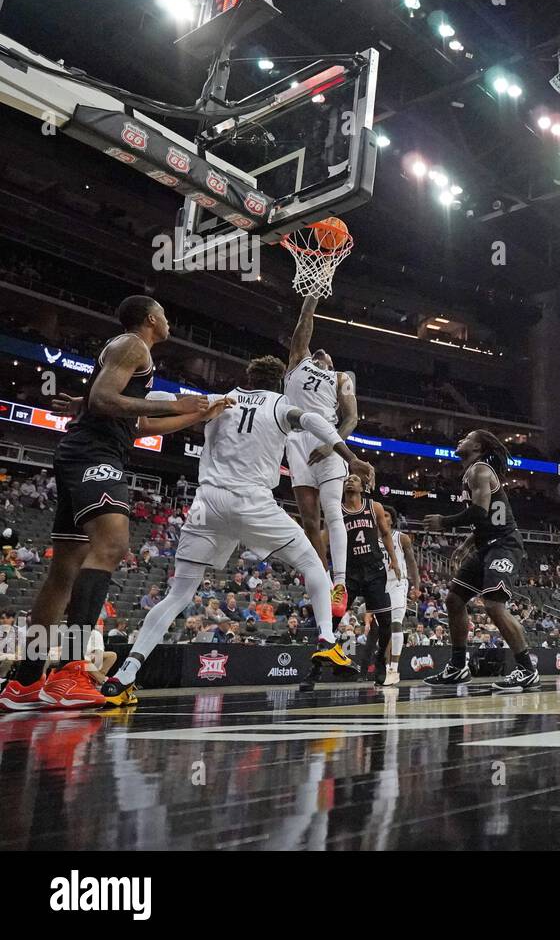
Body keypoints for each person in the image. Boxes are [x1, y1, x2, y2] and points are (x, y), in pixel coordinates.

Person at [99, 355, 374, 706]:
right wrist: (350, 457)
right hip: (251, 502)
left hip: (207, 504)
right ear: (279, 381)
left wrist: (96, 403)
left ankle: (123, 677)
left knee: (178, 595)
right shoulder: (281, 405)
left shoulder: (218, 400)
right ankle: (326, 640)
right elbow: (313, 420)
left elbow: (164, 402)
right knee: (312, 565)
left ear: (248, 374)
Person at [0, 296, 215, 711]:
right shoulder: (132, 345)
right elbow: (102, 399)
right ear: (152, 319)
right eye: (166, 316)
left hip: (87, 451)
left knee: (64, 571)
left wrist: (195, 415)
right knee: (113, 545)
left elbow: (140, 423)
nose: (169, 322)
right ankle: (69, 671)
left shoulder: (132, 355)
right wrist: (174, 402)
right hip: (94, 455)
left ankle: (25, 678)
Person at [422, 430, 538, 692]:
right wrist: (466, 544)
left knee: (494, 606)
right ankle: (457, 666)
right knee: (453, 599)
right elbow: (484, 519)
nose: (460, 439)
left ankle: (527, 670)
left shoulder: (480, 470)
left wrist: (444, 522)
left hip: (504, 545)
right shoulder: (471, 472)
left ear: (478, 447)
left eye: (466, 438)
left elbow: (478, 512)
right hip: (486, 545)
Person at [283, 294, 357, 619]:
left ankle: (340, 582)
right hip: (296, 443)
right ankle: (323, 580)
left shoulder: (343, 378)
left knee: (332, 513)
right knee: (310, 521)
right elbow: (303, 323)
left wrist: (332, 443)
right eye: (318, 349)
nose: (322, 350)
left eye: (327, 353)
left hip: (327, 441)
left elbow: (352, 418)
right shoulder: (298, 361)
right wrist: (312, 295)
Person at [339, 477, 399, 686]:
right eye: (347, 479)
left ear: (363, 487)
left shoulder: (374, 506)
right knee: (332, 616)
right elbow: (328, 537)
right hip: (349, 571)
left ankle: (380, 661)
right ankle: (319, 665)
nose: (350, 481)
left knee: (385, 622)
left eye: (354, 479)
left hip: (374, 570)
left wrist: (394, 560)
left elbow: (385, 533)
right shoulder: (337, 509)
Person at [377, 505, 418, 687]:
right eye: (380, 515)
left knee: (395, 623)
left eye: (386, 516)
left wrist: (416, 586)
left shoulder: (401, 538)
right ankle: (385, 667)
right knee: (384, 629)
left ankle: (394, 668)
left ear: (392, 520)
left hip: (398, 583)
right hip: (379, 586)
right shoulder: (371, 540)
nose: (383, 518)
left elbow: (412, 563)